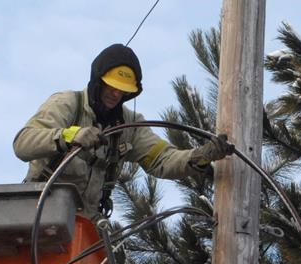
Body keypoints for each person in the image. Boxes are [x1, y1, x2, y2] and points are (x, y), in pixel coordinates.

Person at [13, 43, 232, 216]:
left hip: (82, 233)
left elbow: (162, 159)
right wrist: (69, 135)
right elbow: (23, 143)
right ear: (98, 80)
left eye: (122, 90)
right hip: (39, 217)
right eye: (111, 86)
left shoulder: (129, 126)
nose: (115, 94)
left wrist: (200, 157)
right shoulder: (69, 104)